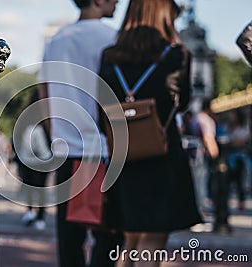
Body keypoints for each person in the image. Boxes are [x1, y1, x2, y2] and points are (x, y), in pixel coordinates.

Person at [98, 0, 202, 265]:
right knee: (152, 241)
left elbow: (101, 108)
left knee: (129, 241)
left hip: (124, 156)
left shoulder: (110, 56)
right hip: (161, 153)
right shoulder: (176, 55)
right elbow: (184, 101)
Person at [37, 0, 122, 266]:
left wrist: (55, 133)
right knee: (109, 236)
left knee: (69, 238)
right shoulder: (114, 37)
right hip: (105, 149)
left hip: (68, 148)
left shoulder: (57, 39)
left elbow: (44, 90)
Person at [16, 90, 52, 230]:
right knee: (41, 189)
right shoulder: (46, 117)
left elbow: (17, 138)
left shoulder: (24, 117)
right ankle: (40, 217)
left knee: (29, 187)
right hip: (43, 160)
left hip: (26, 159)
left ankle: (30, 211)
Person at [226, 109, 251, 211]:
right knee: (230, 180)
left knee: (240, 181)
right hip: (230, 157)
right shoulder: (229, 127)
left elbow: (240, 142)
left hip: (240, 158)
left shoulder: (243, 129)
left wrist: (230, 142)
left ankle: (241, 201)